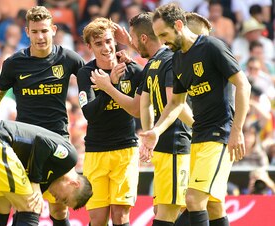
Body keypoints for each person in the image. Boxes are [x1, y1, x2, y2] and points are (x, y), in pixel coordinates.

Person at [140, 3, 251, 226]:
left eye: (164, 34)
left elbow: (243, 85)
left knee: (193, 199)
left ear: (179, 25)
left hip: (220, 135)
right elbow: (176, 103)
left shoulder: (211, 47)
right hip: (198, 137)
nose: (162, 41)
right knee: (213, 204)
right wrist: (157, 131)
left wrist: (237, 130)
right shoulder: (178, 58)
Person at [0, 6, 85, 226]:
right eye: (35, 32)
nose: (40, 36)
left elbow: (92, 78)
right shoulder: (14, 63)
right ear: (27, 32)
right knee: (22, 202)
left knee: (59, 206)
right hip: (24, 142)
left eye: (44, 30)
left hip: (58, 140)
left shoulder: (69, 59)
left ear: (53, 29)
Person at [0, 120, 93, 226]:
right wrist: (35, 182)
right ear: (74, 183)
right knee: (32, 206)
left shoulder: (49, 178)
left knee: (0, 208)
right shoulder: (69, 158)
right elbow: (42, 141)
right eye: (64, 199)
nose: (57, 200)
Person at [77, 17, 142, 226]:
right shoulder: (86, 73)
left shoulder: (131, 69)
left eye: (108, 41)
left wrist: (133, 49)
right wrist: (110, 85)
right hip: (96, 151)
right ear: (89, 46)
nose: (105, 48)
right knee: (97, 219)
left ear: (114, 40)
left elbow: (158, 68)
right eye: (98, 43)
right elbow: (90, 113)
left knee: (120, 217)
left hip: (125, 150)